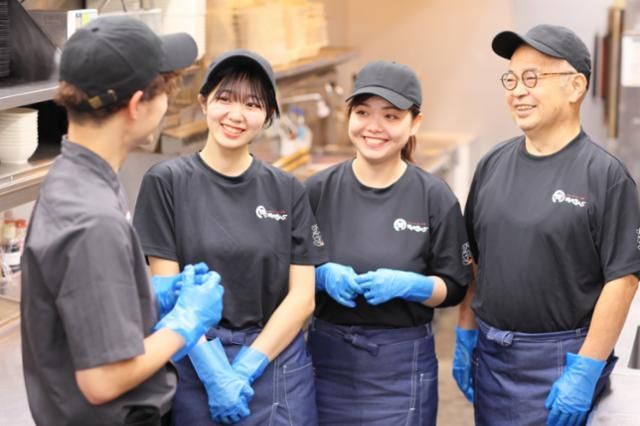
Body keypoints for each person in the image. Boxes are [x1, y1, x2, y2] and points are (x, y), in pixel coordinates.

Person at [20, 16, 225, 426]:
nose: (166, 103)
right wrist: (185, 322)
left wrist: (146, 297)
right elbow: (102, 380)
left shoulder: (75, 176)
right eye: (164, 91)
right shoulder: (94, 219)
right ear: (136, 105)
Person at [452, 24, 640, 426]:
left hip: (562, 362)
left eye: (532, 78)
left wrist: (586, 369)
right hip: (492, 356)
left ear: (575, 86)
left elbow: (623, 280)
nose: (517, 91)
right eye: (511, 79)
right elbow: (475, 260)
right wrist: (466, 331)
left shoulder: (605, 176)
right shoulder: (492, 164)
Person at [133, 49, 328, 425]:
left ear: (268, 116)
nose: (236, 115)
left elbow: (302, 297)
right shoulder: (166, 182)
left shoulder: (287, 190)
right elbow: (169, 294)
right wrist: (214, 373)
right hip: (196, 360)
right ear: (204, 103)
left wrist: (245, 368)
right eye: (225, 98)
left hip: (275, 363)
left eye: (253, 104)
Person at [304, 60, 472, 425]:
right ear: (349, 116)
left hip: (402, 368)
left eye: (391, 116)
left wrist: (413, 286)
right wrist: (319, 275)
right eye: (363, 112)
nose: (374, 127)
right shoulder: (317, 191)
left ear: (415, 122)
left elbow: (456, 286)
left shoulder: (434, 197)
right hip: (325, 364)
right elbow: (288, 269)